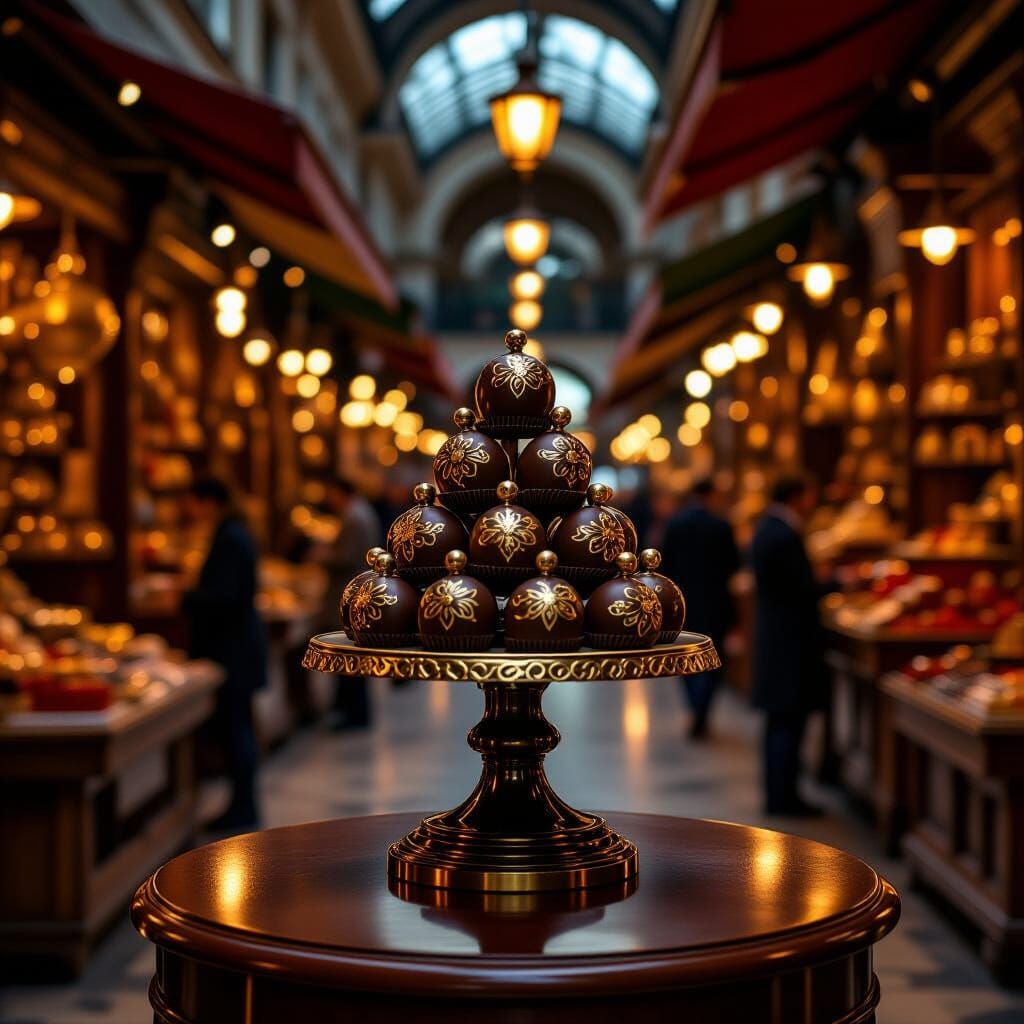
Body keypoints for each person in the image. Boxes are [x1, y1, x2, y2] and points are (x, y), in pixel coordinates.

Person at [182, 476, 267, 830]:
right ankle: (241, 805)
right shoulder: (235, 533)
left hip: (233, 649)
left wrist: (187, 597)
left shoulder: (230, 538)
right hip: (239, 646)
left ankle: (242, 808)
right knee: (237, 729)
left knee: (236, 731)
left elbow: (226, 598)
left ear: (208, 501)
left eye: (193, 501)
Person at [750, 472, 837, 817]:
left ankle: (781, 794)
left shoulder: (769, 528)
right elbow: (800, 589)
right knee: (788, 721)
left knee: (780, 722)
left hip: (777, 640)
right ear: (798, 495)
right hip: (789, 643)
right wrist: (834, 583)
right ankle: (784, 798)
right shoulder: (782, 534)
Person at [661, 477, 740, 738]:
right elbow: (733, 564)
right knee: (712, 656)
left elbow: (665, 566)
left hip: (683, 601)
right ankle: (701, 709)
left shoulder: (675, 524)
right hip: (715, 600)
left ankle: (695, 704)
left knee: (684, 656)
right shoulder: (721, 525)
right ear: (710, 495)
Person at [317, 475, 383, 728]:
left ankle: (354, 713)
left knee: (349, 656)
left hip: (349, 591)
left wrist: (322, 556)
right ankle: (349, 709)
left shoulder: (354, 517)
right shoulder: (359, 512)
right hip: (355, 591)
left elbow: (346, 558)